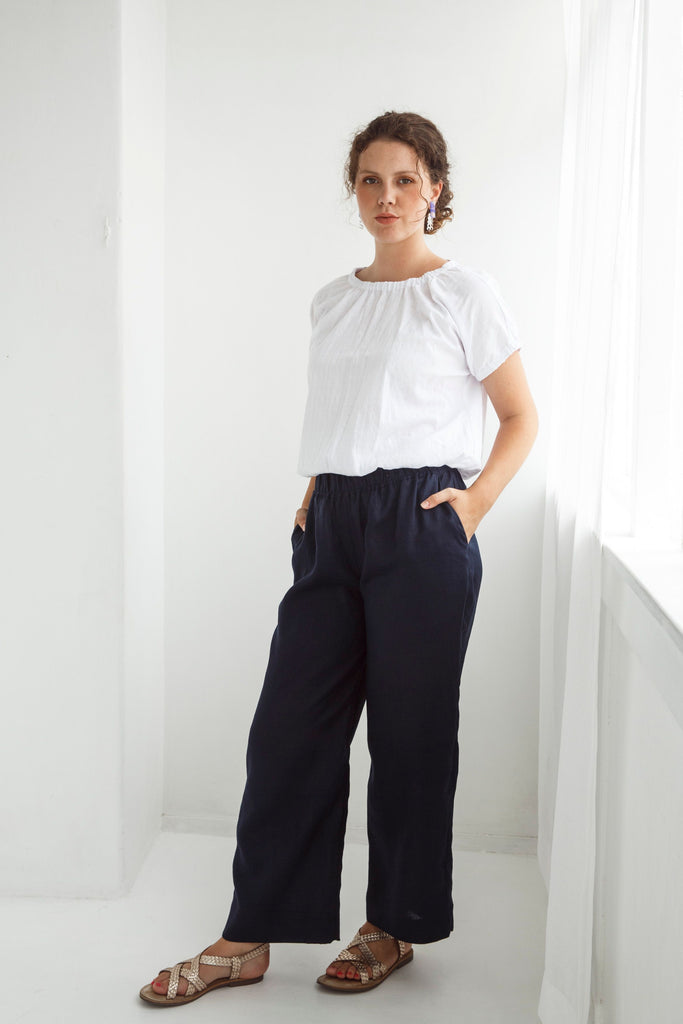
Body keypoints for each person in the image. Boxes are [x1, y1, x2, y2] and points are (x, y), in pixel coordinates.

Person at [139, 109, 539, 1006]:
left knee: (409, 734)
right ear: (353, 190)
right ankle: (247, 936)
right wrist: (320, 489)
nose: (385, 196)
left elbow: (520, 416)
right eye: (369, 180)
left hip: (422, 522)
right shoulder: (333, 299)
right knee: (289, 728)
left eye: (404, 180)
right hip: (332, 524)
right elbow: (346, 411)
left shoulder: (462, 292)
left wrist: (472, 505)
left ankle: (391, 924)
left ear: (433, 190)